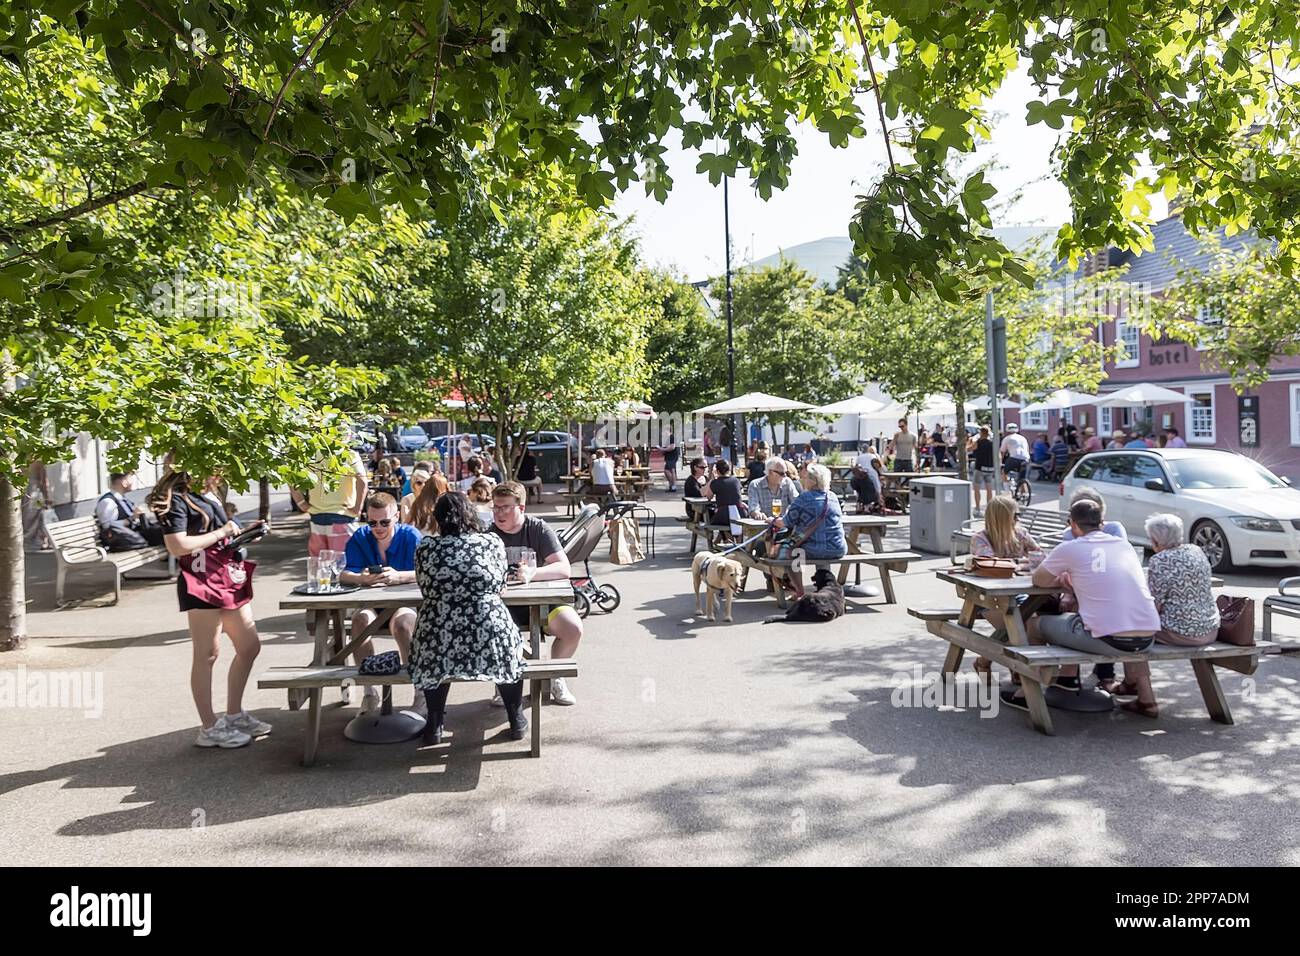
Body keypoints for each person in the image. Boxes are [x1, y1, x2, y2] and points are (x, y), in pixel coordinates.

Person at [150, 470, 269, 749]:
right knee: (207, 655)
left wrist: (243, 533)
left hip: (227, 577)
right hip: (201, 581)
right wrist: (223, 531)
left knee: (249, 646)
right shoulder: (177, 498)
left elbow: (216, 537)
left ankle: (234, 714)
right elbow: (178, 545)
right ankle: (209, 727)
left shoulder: (209, 493)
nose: (220, 471)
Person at [1003, 499, 1159, 710]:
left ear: (1073, 524)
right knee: (1119, 619)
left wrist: (1064, 579)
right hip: (1147, 636)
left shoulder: (1070, 548)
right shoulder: (1125, 546)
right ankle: (1147, 699)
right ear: (1102, 523)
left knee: (1035, 625)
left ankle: (1029, 694)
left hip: (1109, 640)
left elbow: (1039, 580)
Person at [409, 492, 529, 744]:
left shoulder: (426, 547)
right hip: (488, 630)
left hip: (438, 632)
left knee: (432, 652)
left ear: (439, 519)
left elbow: (424, 587)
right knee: (509, 652)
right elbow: (499, 584)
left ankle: (434, 724)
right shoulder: (491, 542)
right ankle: (515, 717)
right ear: (471, 514)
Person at [1113, 513, 1220, 717]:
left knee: (1132, 633)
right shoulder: (1197, 552)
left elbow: (1152, 604)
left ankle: (1146, 700)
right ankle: (1130, 683)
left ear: (1155, 540)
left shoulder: (1160, 560)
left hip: (1182, 633)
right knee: (1134, 626)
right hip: (1209, 629)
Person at [489, 482, 583, 705]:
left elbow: (564, 568)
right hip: (504, 606)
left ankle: (555, 676)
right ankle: (504, 681)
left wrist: (532, 573)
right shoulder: (488, 534)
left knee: (573, 628)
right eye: (495, 508)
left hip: (542, 603)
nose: (499, 513)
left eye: (505, 507)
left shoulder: (538, 528)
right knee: (492, 631)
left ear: (521, 508)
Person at [339, 493, 423, 715]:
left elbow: (428, 571)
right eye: (372, 522)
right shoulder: (361, 536)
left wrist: (400, 577)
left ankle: (418, 690)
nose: (378, 527)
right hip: (371, 601)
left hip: (403, 601)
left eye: (384, 522)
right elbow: (344, 574)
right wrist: (361, 579)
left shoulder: (411, 536)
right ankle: (369, 693)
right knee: (359, 621)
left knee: (405, 625)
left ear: (397, 516)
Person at [968, 495, 1047, 678]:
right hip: (986, 597)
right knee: (1014, 629)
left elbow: (1039, 557)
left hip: (1017, 593)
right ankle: (1017, 672)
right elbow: (991, 566)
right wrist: (1021, 563)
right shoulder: (980, 539)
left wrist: (1017, 563)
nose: (1018, 519)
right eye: (1015, 515)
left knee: (1029, 625)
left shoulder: (1020, 534)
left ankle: (989, 663)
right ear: (1003, 517)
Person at [772, 463, 846, 599]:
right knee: (822, 545)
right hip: (837, 548)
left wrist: (773, 521)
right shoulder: (833, 497)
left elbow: (786, 523)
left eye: (806, 477)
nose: (803, 479)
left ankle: (799, 591)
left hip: (814, 549)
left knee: (791, 552)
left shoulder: (804, 498)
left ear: (812, 481)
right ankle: (823, 588)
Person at [292, 447, 368, 557]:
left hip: (317, 515)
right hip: (343, 515)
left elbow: (292, 478)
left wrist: (301, 503)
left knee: (319, 565)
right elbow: (362, 480)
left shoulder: (310, 454)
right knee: (345, 564)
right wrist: (358, 507)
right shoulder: (349, 455)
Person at [95, 471, 165, 551]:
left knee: (165, 529)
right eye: (130, 478)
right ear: (124, 482)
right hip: (125, 539)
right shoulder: (108, 501)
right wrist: (131, 518)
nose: (133, 481)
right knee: (164, 533)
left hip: (135, 534)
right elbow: (108, 527)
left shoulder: (123, 499)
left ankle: (173, 560)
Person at [705, 458, 748, 527]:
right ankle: (734, 538)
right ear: (729, 470)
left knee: (714, 520)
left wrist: (712, 480)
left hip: (723, 515)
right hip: (740, 513)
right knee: (735, 525)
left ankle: (727, 538)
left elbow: (708, 496)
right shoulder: (736, 481)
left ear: (717, 471)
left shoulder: (715, 482)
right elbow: (740, 492)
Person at [406, 465, 445, 534]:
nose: (423, 485)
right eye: (419, 483)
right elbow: (406, 526)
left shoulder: (443, 503)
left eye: (426, 483)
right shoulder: (415, 502)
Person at [968, 424, 996, 515]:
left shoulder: (979, 442)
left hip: (980, 468)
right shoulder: (992, 443)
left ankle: (977, 508)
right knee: (989, 489)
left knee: (976, 488)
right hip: (990, 468)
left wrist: (969, 442)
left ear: (981, 433)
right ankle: (989, 508)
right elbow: (998, 455)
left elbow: (969, 449)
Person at [849, 442, 883, 514]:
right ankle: (867, 507)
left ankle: (859, 505)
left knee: (860, 490)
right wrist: (879, 494)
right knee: (872, 489)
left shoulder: (859, 457)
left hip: (856, 479)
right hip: (868, 477)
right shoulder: (872, 456)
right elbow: (879, 465)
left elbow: (856, 466)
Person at [662, 427, 679, 492]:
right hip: (669, 456)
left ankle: (673, 485)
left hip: (672, 457)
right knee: (671, 470)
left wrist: (663, 449)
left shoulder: (672, 437)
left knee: (668, 471)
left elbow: (672, 447)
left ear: (668, 431)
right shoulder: (668, 438)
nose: (663, 433)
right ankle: (672, 486)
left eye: (664, 431)